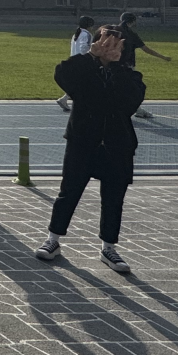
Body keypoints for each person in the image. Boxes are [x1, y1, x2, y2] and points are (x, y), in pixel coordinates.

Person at [35, 25, 145, 274]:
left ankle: (109, 246)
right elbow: (62, 75)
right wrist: (90, 56)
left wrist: (116, 65)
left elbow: (130, 101)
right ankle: (53, 239)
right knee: (69, 192)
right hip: (83, 142)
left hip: (118, 145)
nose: (111, 48)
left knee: (114, 198)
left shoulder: (129, 75)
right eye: (106, 43)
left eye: (117, 45)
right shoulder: (84, 70)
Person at [117, 11, 170, 119]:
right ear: (132, 22)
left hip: (111, 64)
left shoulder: (112, 31)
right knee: (133, 89)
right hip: (127, 66)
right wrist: (163, 57)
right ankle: (136, 110)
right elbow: (146, 49)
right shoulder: (131, 35)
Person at [57, 16, 96, 111]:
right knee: (86, 83)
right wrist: (90, 54)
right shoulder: (86, 34)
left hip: (73, 59)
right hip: (81, 61)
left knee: (79, 83)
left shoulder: (76, 34)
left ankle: (64, 99)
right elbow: (83, 48)